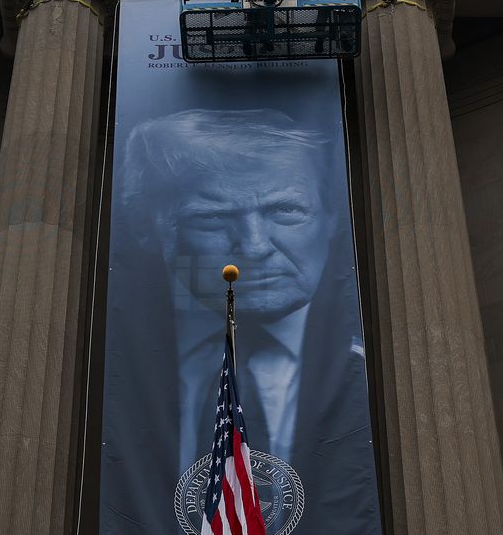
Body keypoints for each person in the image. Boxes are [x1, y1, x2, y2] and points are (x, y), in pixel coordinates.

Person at [111, 108, 369, 472]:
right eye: (212, 217)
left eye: (285, 209)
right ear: (146, 227)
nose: (254, 246)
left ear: (331, 218)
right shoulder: (106, 357)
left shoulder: (382, 357)